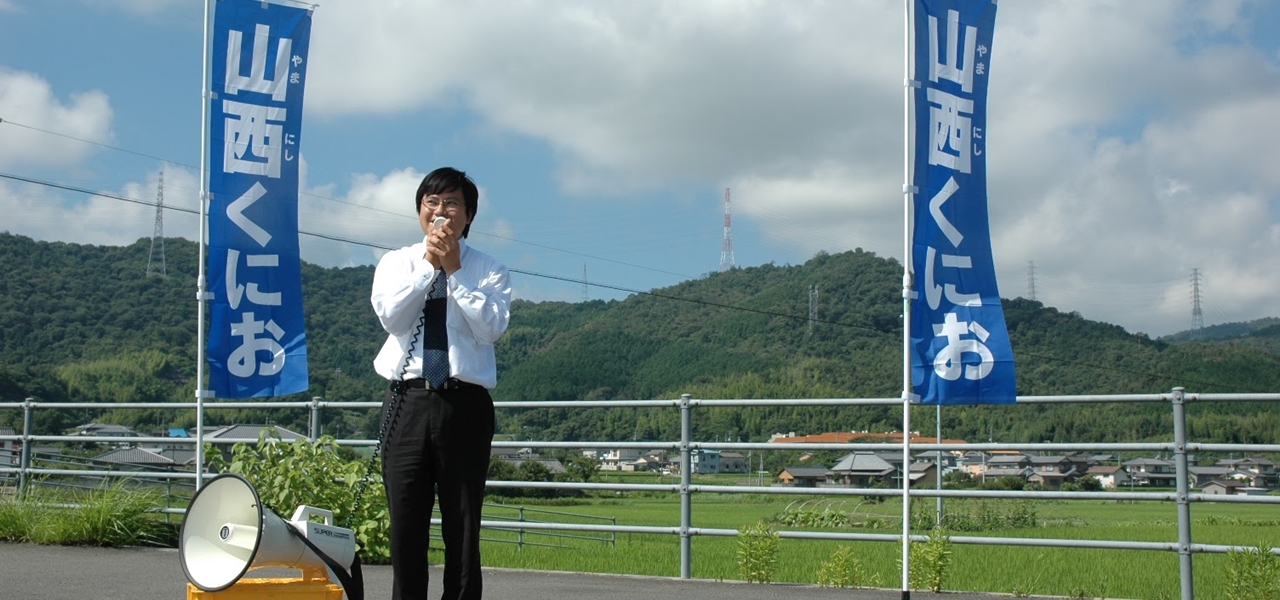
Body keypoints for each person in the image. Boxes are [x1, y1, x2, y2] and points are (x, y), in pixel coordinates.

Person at [370, 167, 511, 600]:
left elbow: (490, 329)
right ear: (419, 211)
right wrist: (429, 268)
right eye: (432, 202)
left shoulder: (490, 270)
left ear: (468, 216)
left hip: (464, 405)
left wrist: (455, 269)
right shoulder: (396, 262)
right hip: (406, 401)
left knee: (463, 522)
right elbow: (392, 318)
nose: (440, 211)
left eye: (451, 203)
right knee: (405, 523)